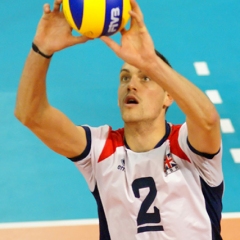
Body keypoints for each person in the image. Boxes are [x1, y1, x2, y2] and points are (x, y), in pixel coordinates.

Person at [15, 0, 223, 239]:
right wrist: (41, 49)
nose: (131, 85)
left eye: (145, 78)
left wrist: (151, 63)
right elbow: (30, 114)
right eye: (124, 78)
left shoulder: (187, 145)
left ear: (169, 96)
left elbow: (208, 120)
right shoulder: (100, 149)